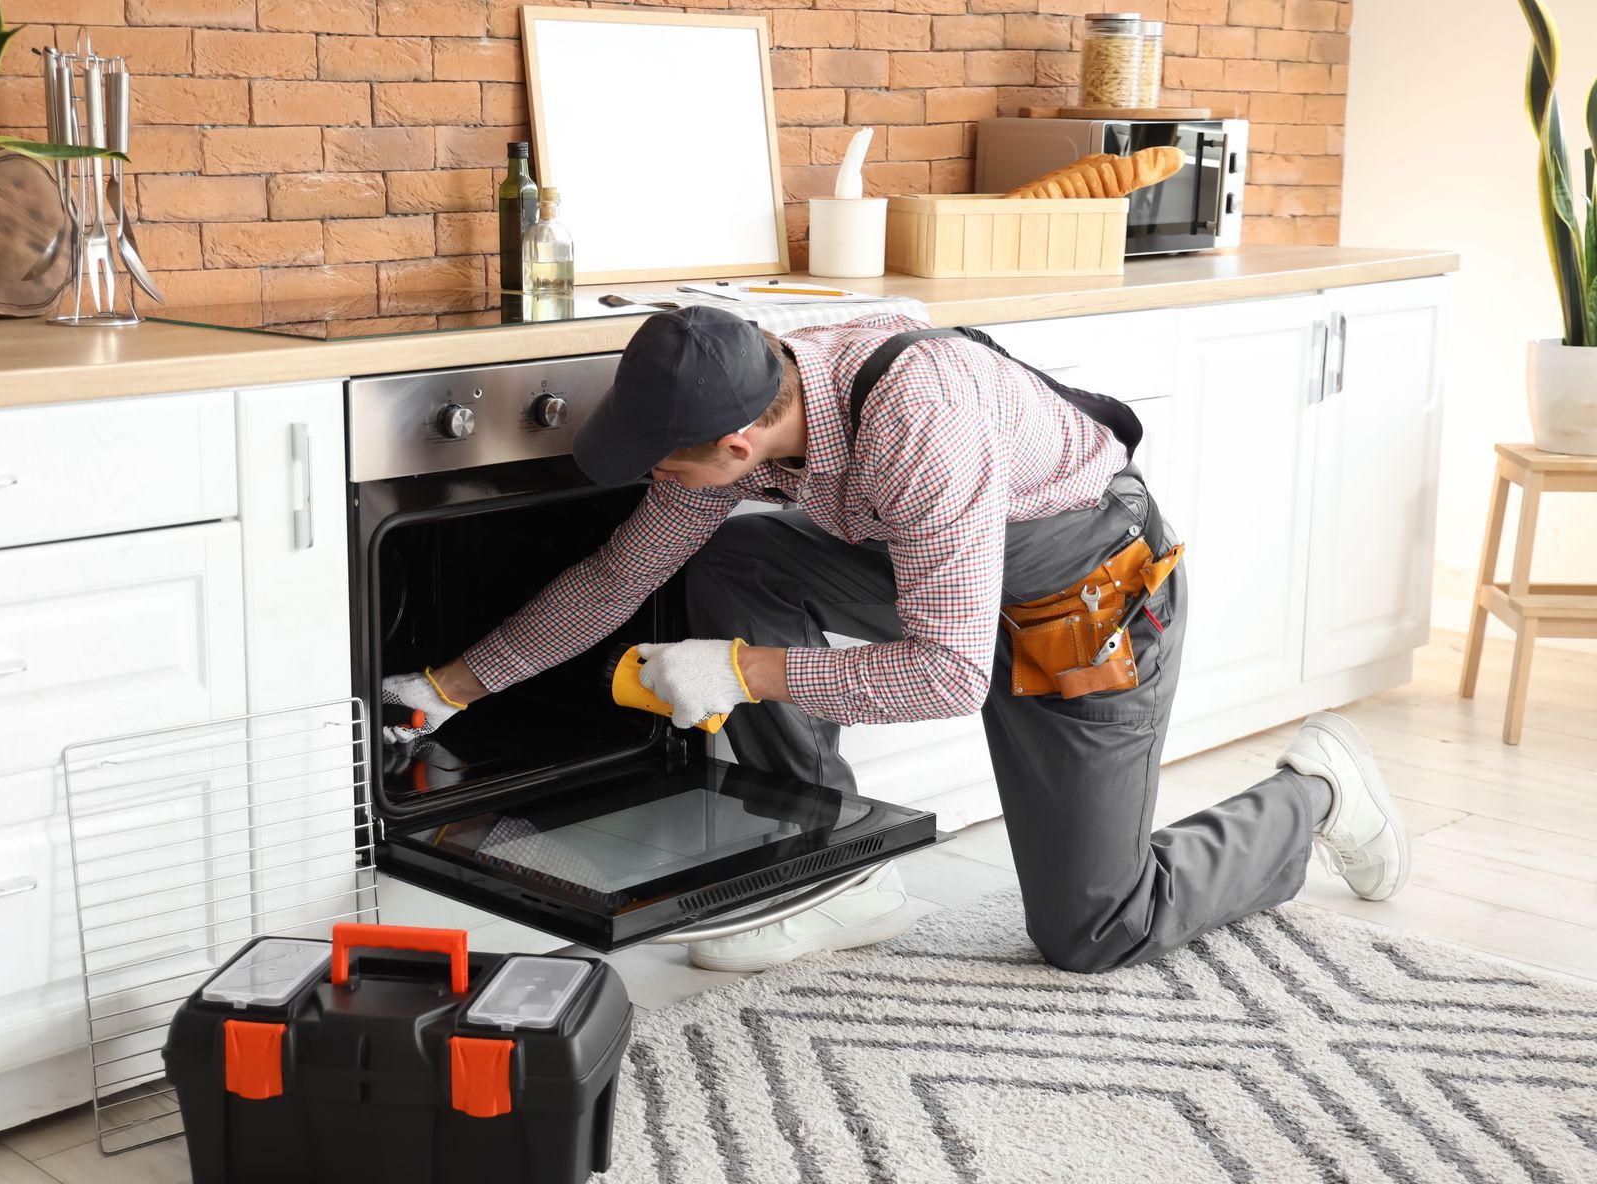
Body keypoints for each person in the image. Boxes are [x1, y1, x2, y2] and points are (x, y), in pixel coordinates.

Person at [383, 306, 1410, 974]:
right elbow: (620, 571)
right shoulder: (756, 393)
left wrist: (741, 670)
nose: (658, 482)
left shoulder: (913, 415)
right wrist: (449, 686)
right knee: (735, 562)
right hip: (946, 577)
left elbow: (953, 672)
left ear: (736, 444)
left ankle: (1316, 790)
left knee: (1097, 926)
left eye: (666, 469)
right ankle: (835, 875)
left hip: (1080, 600)